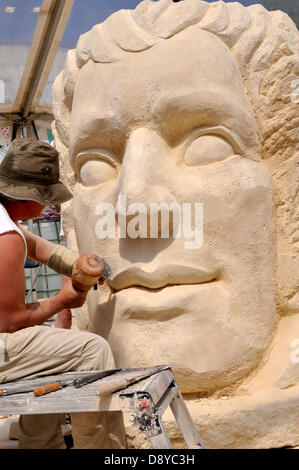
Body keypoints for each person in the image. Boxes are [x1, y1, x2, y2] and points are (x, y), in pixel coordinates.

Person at [0, 137, 126, 449]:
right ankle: (103, 450)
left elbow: (42, 248)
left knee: (51, 353)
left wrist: (83, 266)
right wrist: (63, 300)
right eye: (47, 197)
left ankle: (40, 444)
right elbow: (10, 320)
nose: (49, 206)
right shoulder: (6, 236)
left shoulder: (7, 223)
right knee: (91, 351)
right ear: (29, 197)